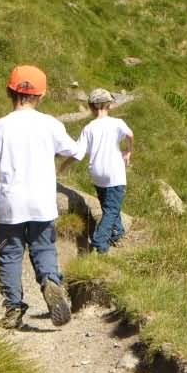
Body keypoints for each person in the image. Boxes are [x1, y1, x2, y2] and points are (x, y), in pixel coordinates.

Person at [0, 65, 80, 330]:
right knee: (44, 248)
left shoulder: (0, 126)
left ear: (9, 91)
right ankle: (50, 281)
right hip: (42, 203)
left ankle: (13, 309)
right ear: (41, 95)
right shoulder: (50, 124)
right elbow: (75, 150)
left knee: (10, 255)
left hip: (10, 204)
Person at [61, 89, 134, 254]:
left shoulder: (89, 128)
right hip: (114, 172)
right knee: (112, 209)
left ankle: (117, 232)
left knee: (107, 204)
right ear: (109, 105)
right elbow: (130, 135)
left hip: (96, 173)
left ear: (91, 107)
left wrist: (63, 166)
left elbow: (78, 153)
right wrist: (129, 151)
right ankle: (100, 242)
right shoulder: (117, 123)